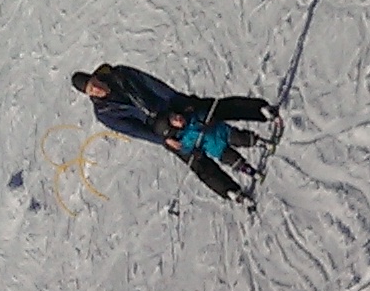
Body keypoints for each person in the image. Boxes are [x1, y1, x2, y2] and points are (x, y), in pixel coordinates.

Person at [74, 64, 279, 203]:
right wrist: (163, 140)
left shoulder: (120, 74)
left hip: (173, 105)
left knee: (215, 110)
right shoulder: (105, 113)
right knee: (196, 160)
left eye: (95, 84)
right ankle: (230, 191)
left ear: (96, 77)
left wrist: (179, 101)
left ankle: (260, 110)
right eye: (91, 90)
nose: (97, 89)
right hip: (161, 129)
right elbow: (135, 130)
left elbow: (151, 83)